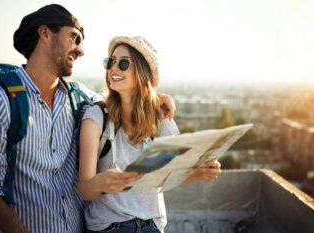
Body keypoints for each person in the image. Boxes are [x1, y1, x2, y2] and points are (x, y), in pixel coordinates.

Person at [0, 5, 176, 233]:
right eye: (75, 38)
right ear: (45, 34)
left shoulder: (79, 98)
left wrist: (153, 96)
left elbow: (123, 99)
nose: (81, 50)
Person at [78, 36, 221, 233]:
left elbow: (167, 177)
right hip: (110, 227)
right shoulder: (96, 117)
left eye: (124, 63)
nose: (114, 68)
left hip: (153, 226)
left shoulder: (161, 118)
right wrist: (102, 183)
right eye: (110, 62)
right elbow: (84, 189)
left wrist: (200, 172)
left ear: (142, 72)